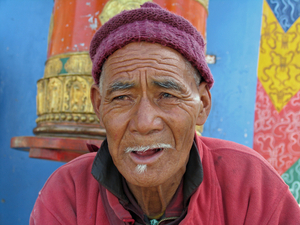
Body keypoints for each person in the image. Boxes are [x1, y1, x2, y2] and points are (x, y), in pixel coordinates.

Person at [30, 2, 300, 225]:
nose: (145, 123)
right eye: (122, 97)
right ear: (99, 106)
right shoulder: (68, 194)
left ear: (203, 104)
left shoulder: (251, 184)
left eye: (167, 95)